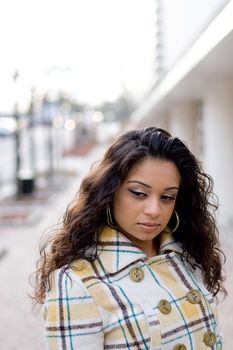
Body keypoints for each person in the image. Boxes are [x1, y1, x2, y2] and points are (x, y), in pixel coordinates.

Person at [32, 126, 226, 349]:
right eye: (139, 193)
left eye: (167, 197)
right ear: (109, 191)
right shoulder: (77, 283)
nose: (154, 210)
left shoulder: (186, 255)